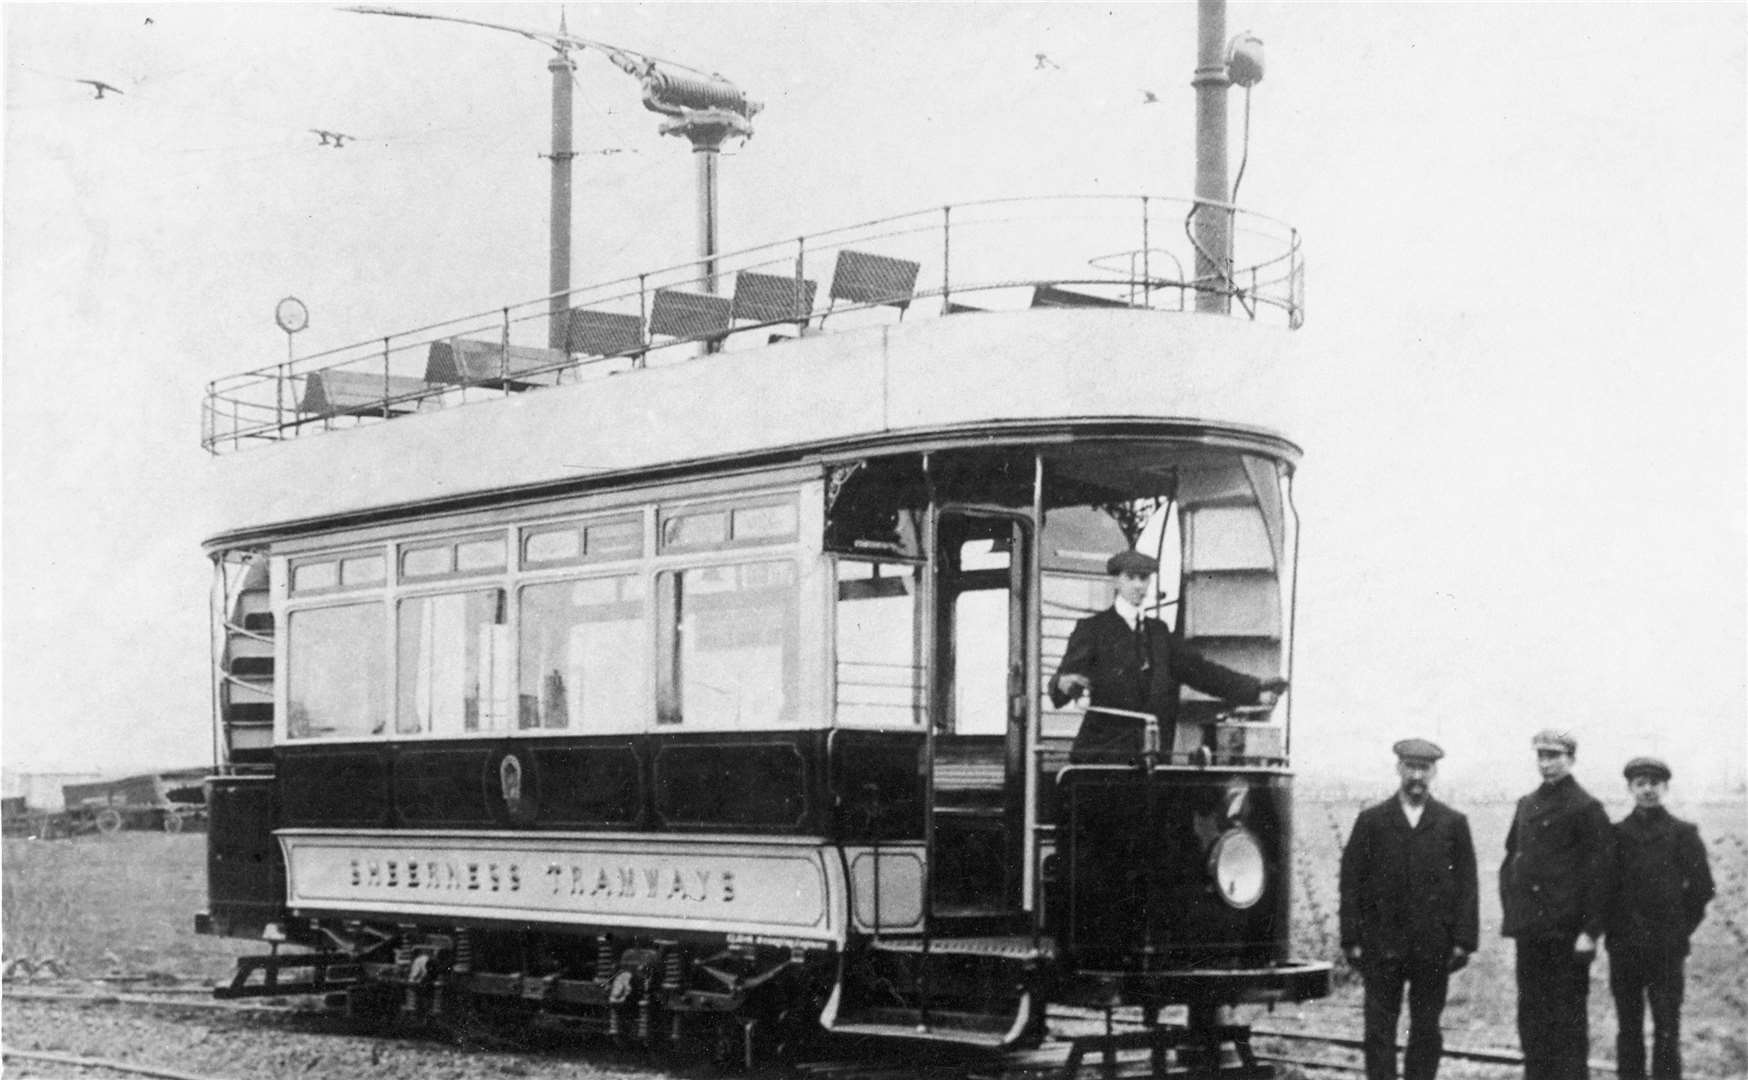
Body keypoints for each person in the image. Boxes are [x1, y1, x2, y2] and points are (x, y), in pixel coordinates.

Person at [1047, 548, 1286, 761]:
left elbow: (1202, 672)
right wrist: (1064, 684)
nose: (1139, 585)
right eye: (1131, 577)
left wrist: (1255, 690)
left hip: (1152, 754)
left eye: (1144, 578)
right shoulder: (1093, 629)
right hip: (1103, 755)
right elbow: (1061, 685)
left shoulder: (1159, 633)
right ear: (1116, 582)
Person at [1339, 738, 1479, 1080]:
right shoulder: (1372, 821)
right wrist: (1351, 938)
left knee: (1427, 1030)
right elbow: (1351, 883)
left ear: (1434, 772)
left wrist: (1463, 940)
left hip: (1433, 946)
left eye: (1424, 768)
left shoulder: (1452, 823)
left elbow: (1467, 886)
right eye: (1410, 767)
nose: (1417, 775)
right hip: (1382, 944)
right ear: (1398, 768)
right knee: (1379, 1031)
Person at [1500, 729, 1613, 1080]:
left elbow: (1602, 876)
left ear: (1571, 759)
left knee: (1567, 1022)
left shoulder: (1587, 808)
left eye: (1555, 756)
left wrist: (1590, 932)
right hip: (1531, 932)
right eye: (1542, 756)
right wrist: (1513, 910)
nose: (1547, 763)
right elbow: (1511, 860)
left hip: (1567, 935)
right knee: (1531, 1019)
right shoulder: (1526, 804)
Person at [1605, 756, 1714, 1080]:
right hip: (1624, 947)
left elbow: (1702, 888)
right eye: (1641, 784)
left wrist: (1680, 927)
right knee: (1628, 1027)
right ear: (1630, 788)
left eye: (1654, 783)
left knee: (1667, 1027)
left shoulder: (1683, 833)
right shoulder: (1616, 834)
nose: (1648, 790)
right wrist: (1617, 929)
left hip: (1667, 947)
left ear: (1665, 787)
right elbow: (1604, 889)